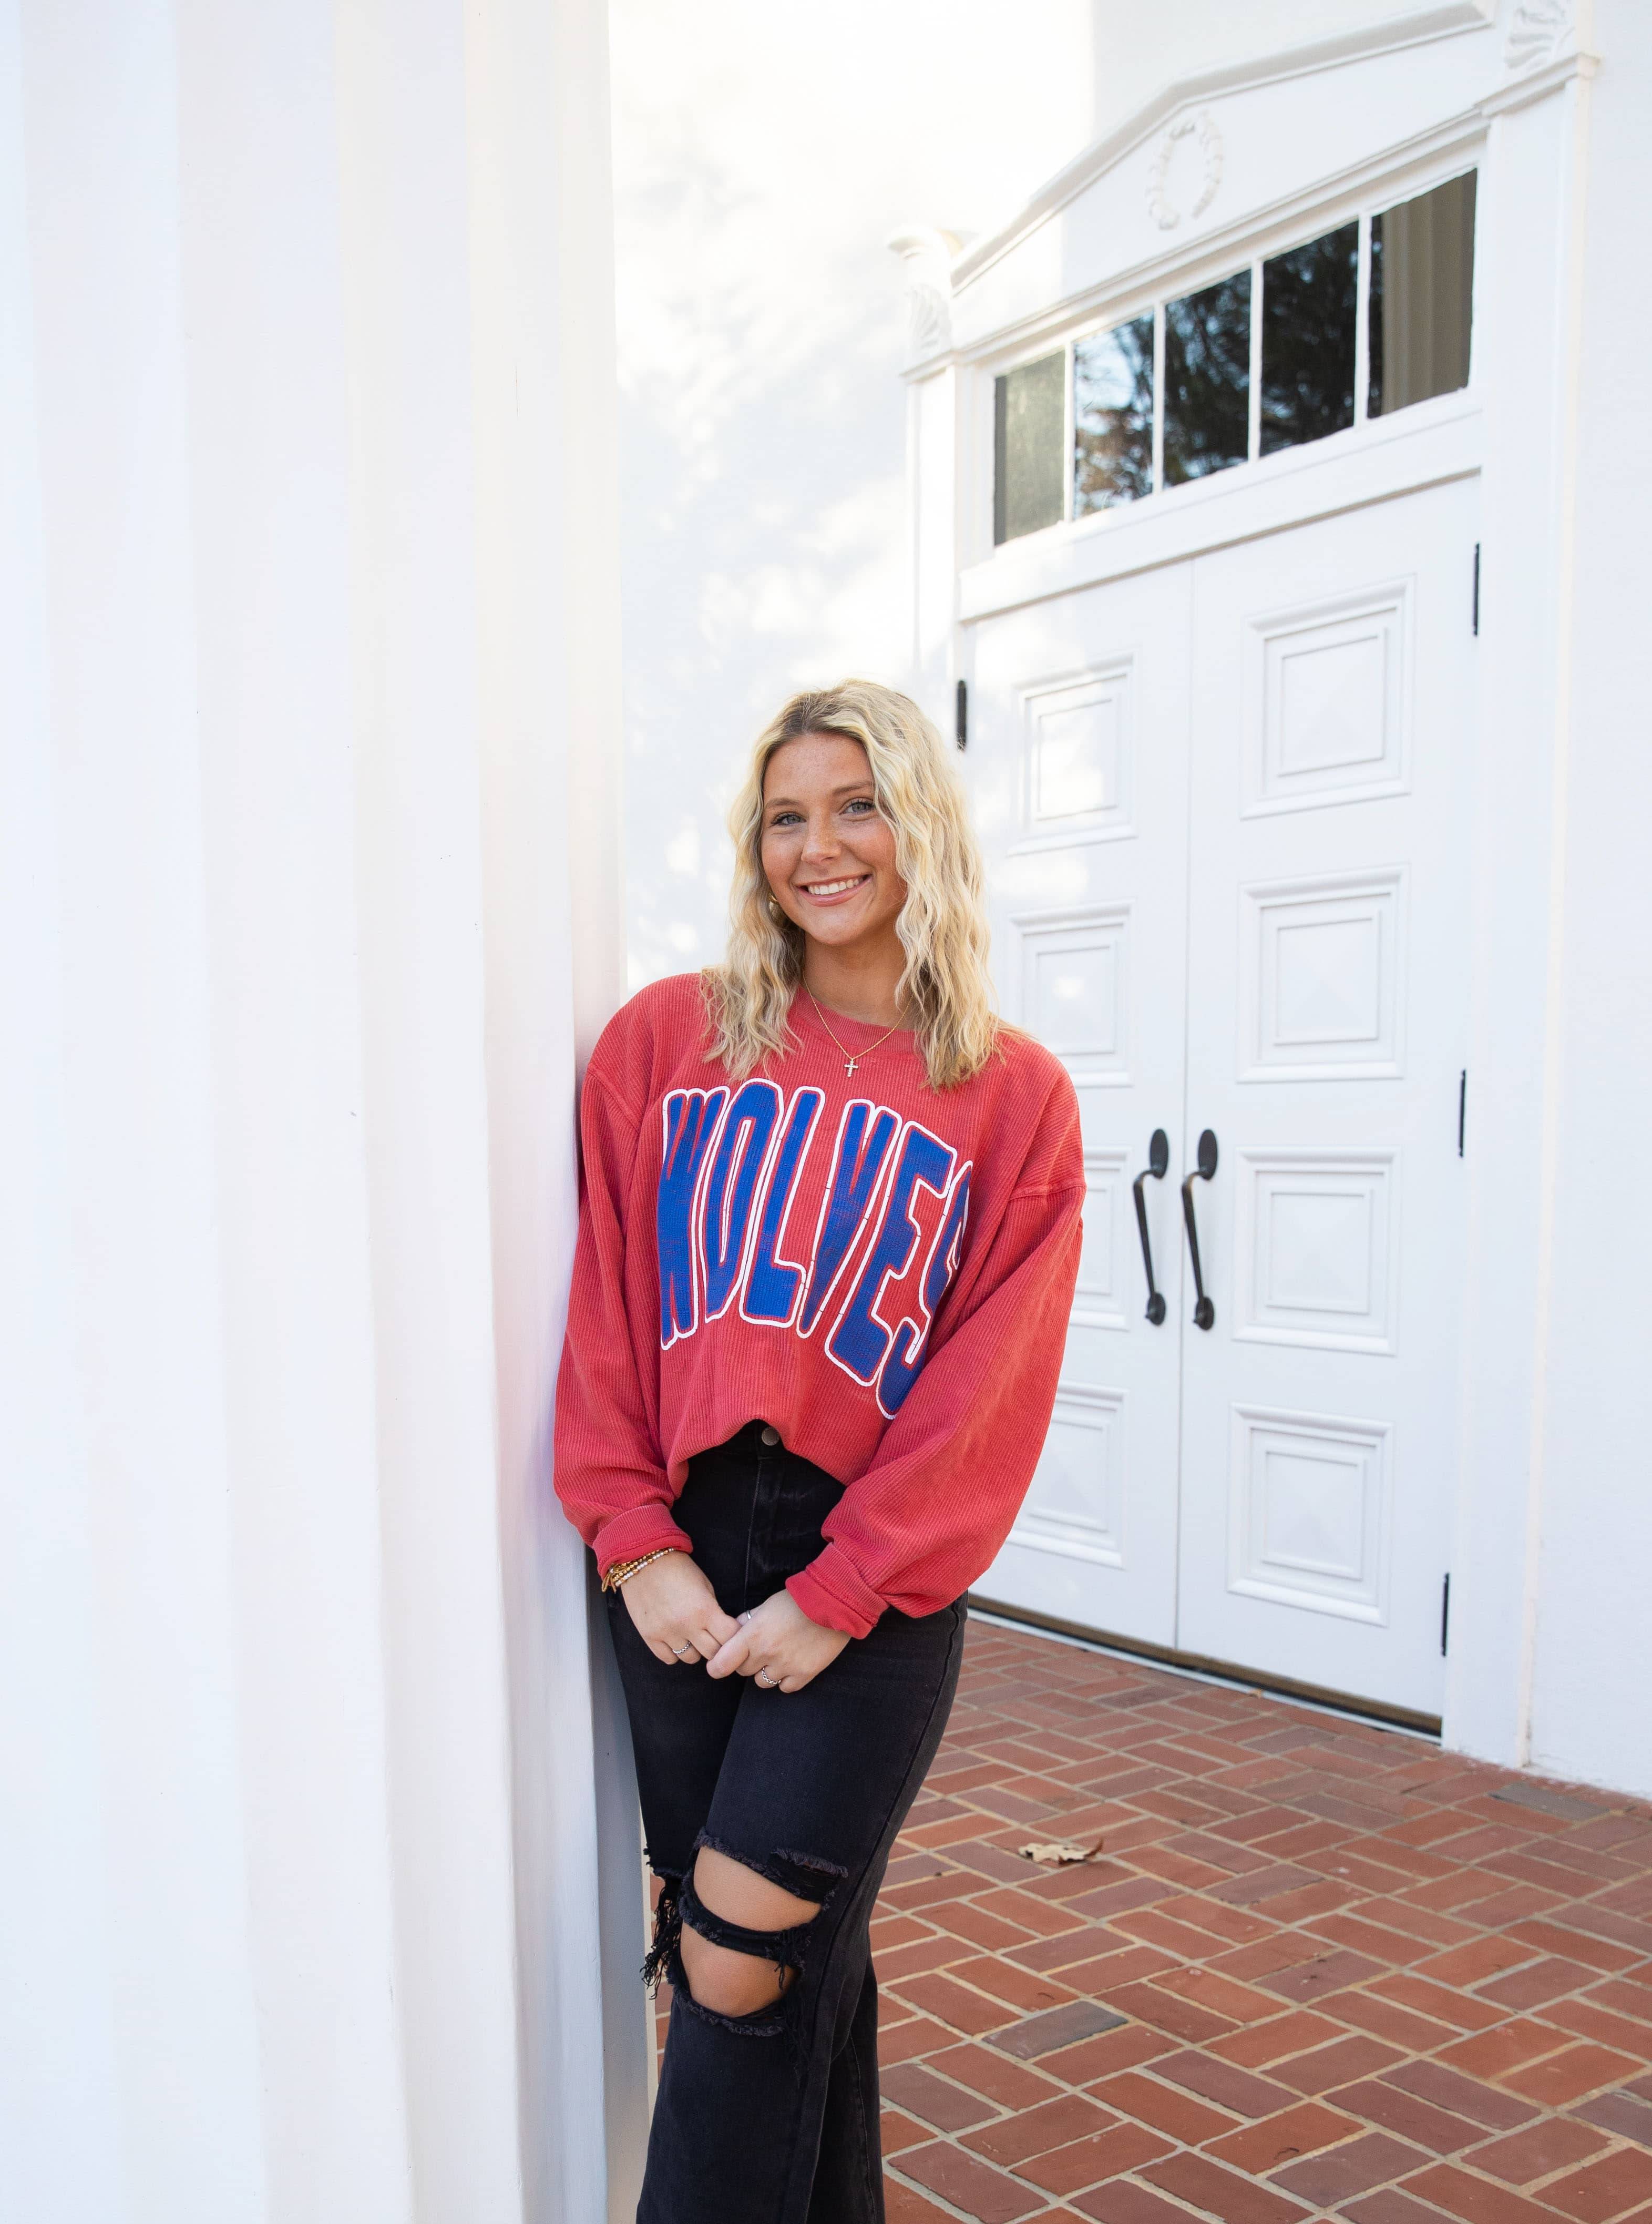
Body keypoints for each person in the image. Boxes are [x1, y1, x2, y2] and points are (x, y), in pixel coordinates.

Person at [553, 680, 1085, 2223]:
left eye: (857, 806)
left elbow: (990, 1385)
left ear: (919, 825)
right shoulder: (669, 1043)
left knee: (737, 1955)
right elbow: (608, 1302)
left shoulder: (1013, 1097)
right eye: (787, 815)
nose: (820, 845)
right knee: (784, 1962)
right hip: (682, 1560)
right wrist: (633, 1538)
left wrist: (846, 1587)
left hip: (872, 1567)